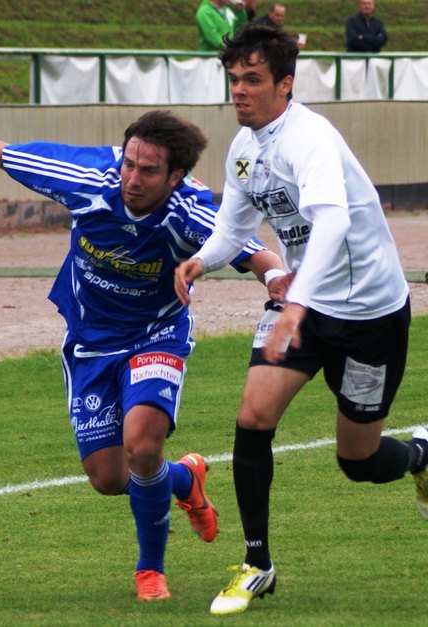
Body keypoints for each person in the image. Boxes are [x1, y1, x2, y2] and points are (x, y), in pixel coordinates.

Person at [0, 109, 284, 602]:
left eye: (148, 171)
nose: (132, 178)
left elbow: (259, 256)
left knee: (142, 445)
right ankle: (185, 477)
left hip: (156, 335)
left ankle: (150, 570)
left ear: (176, 176)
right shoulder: (88, 178)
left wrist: (280, 287)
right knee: (109, 478)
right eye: (129, 163)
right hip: (90, 344)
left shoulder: (191, 213)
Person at [174, 23, 428, 615]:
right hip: (304, 309)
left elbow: (332, 224)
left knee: (358, 462)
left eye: (253, 80)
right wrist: (200, 261)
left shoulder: (309, 139)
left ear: (285, 84)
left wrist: (296, 303)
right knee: (252, 417)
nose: (239, 91)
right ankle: (257, 563)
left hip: (368, 313)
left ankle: (421, 455)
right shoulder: (244, 147)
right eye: (233, 79)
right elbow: (235, 231)